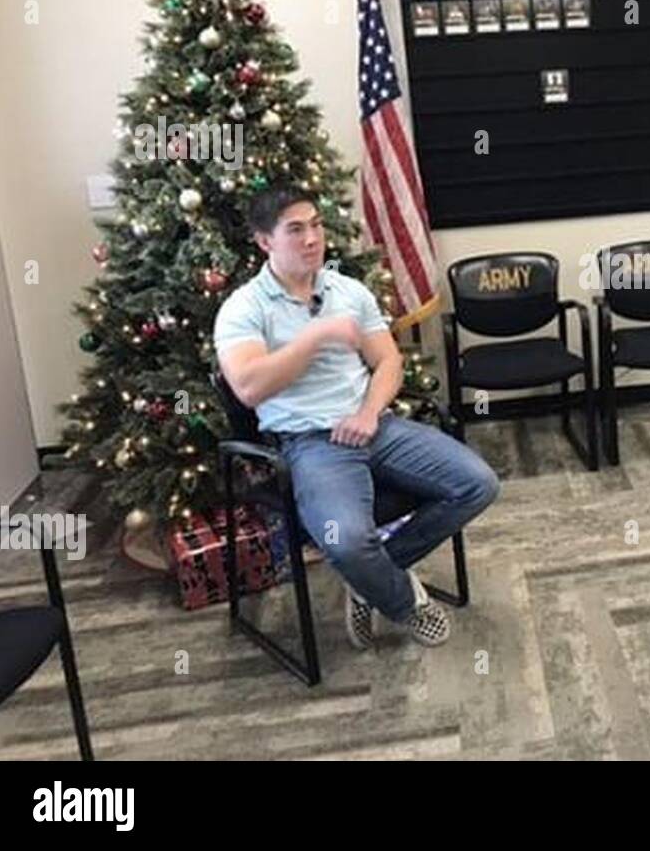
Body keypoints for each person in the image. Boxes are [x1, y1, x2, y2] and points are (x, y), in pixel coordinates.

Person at [214, 186, 499, 650]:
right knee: (345, 541)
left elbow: (388, 362)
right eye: (295, 229)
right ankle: (405, 601)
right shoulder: (243, 309)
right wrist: (316, 336)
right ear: (264, 241)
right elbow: (248, 387)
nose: (312, 238)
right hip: (310, 444)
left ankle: (368, 577)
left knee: (478, 483)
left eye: (316, 224)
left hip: (375, 427)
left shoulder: (348, 291)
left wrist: (369, 411)